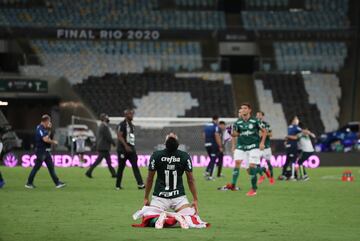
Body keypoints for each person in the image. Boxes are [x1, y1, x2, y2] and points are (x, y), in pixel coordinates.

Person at [143, 133, 199, 229]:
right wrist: (195, 199)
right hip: (179, 197)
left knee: (148, 219)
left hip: (160, 196)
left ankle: (164, 218)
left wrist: (146, 197)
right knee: (192, 218)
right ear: (178, 144)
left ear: (165, 143)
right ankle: (177, 217)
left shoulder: (156, 155)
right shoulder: (185, 156)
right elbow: (190, 180)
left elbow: (150, 179)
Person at [219, 103, 267, 196]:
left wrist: (262, 143)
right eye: (242, 108)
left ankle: (254, 189)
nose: (243, 110)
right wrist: (230, 132)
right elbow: (235, 134)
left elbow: (264, 131)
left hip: (253, 146)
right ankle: (233, 185)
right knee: (239, 164)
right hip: (241, 147)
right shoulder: (238, 122)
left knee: (251, 169)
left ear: (249, 110)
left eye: (245, 108)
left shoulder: (255, 121)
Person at [25, 114, 66, 189]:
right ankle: (29, 183)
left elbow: (47, 136)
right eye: (49, 121)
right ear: (46, 121)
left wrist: (49, 129)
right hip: (41, 151)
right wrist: (54, 142)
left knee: (51, 167)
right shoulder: (40, 129)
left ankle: (57, 183)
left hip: (45, 152)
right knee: (36, 167)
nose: (49, 122)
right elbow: (45, 139)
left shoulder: (42, 128)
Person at [115, 109, 144, 190]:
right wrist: (126, 146)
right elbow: (119, 136)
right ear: (126, 115)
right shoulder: (122, 125)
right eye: (130, 114)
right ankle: (117, 185)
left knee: (135, 166)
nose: (132, 115)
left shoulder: (131, 125)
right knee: (121, 167)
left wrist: (132, 147)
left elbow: (131, 138)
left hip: (131, 149)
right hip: (122, 150)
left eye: (132, 114)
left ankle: (140, 184)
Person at [85, 113, 116, 178]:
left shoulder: (102, 126)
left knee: (108, 161)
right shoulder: (104, 126)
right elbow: (108, 136)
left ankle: (114, 174)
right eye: (107, 117)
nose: (108, 118)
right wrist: (113, 143)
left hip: (103, 146)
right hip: (103, 147)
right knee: (99, 161)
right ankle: (89, 172)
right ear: (104, 118)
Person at [256, 111, 275, 185]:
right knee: (256, 162)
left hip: (266, 147)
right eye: (257, 115)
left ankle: (271, 177)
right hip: (257, 147)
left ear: (262, 116)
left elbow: (271, 134)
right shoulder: (254, 125)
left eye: (259, 115)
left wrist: (264, 133)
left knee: (269, 163)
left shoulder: (266, 124)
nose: (258, 116)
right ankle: (261, 175)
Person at [282, 116, 302, 180]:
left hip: (289, 145)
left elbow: (288, 136)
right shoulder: (297, 128)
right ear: (293, 120)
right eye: (297, 119)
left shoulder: (289, 127)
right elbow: (296, 137)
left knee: (287, 161)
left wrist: (286, 139)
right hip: (293, 146)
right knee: (293, 161)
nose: (297, 120)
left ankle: (283, 174)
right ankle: (293, 176)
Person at [203, 115, 223, 180]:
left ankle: (207, 171)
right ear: (217, 119)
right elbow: (217, 135)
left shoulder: (206, 125)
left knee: (212, 159)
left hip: (207, 144)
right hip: (213, 145)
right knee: (213, 159)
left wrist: (207, 141)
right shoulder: (216, 127)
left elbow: (203, 135)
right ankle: (210, 176)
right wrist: (220, 146)